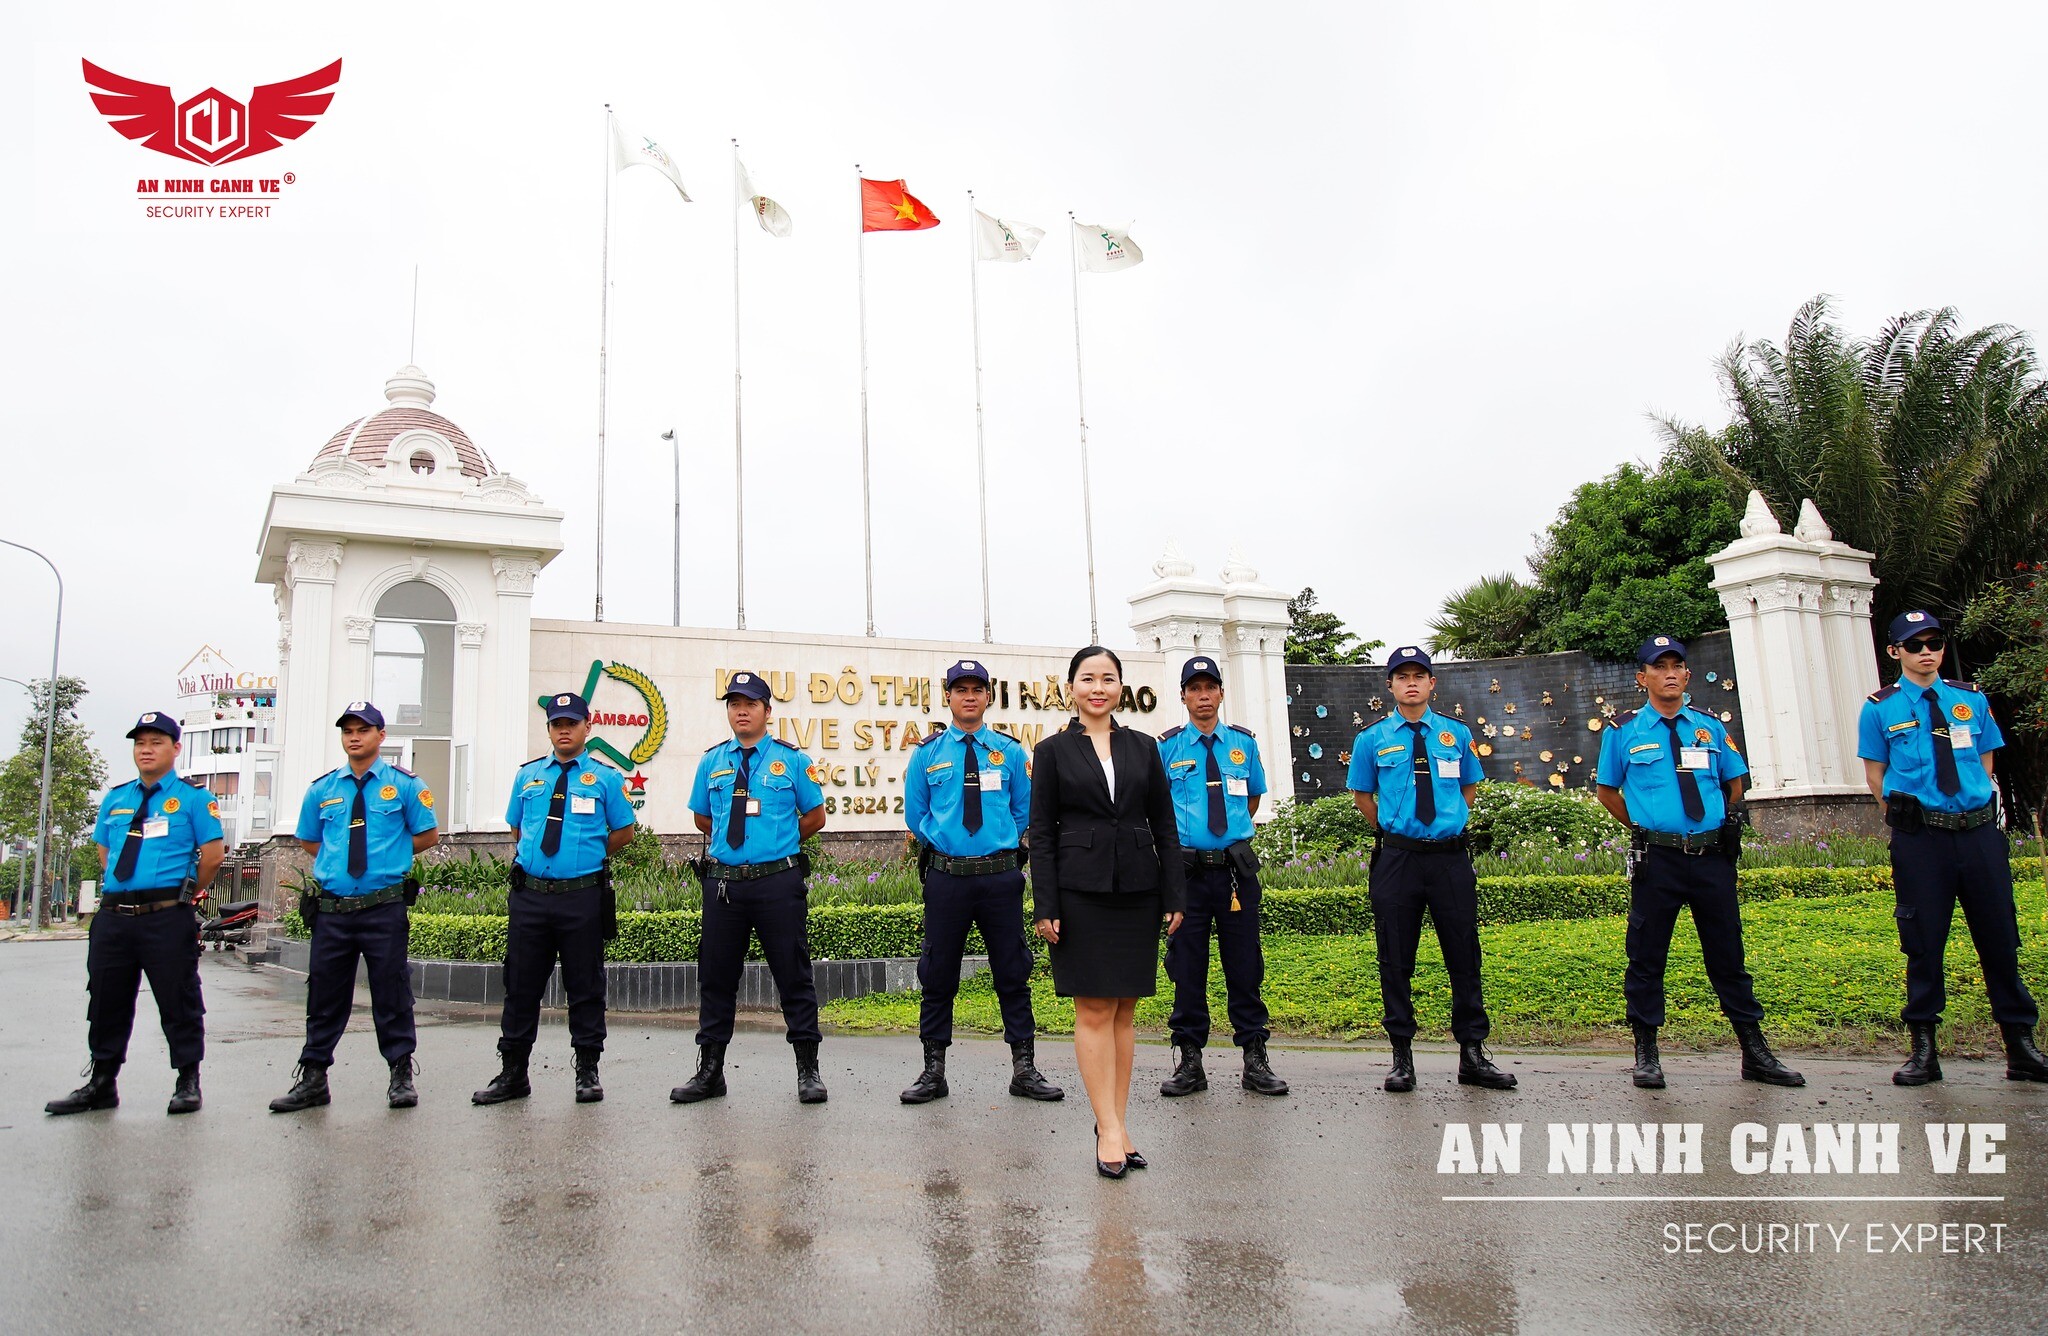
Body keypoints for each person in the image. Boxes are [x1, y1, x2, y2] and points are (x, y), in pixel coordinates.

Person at [1595, 637, 1802, 1089]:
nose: (1669, 673)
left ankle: (1755, 1052)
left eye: (1677, 666)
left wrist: (1713, 820)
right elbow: (1608, 791)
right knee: (1647, 956)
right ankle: (1646, 1053)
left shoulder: (1708, 727)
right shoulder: (1623, 731)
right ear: (1642, 677)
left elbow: (1734, 781)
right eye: (1659, 666)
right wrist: (1647, 826)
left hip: (1711, 858)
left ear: (1687, 675)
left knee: (1728, 955)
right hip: (1659, 859)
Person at [1858, 610, 2047, 1085]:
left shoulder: (1970, 701)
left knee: (2000, 938)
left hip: (1978, 835)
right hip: (1922, 839)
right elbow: (1876, 777)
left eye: (1934, 642)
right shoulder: (1880, 708)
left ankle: (2020, 1046)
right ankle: (1924, 1049)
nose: (1926, 652)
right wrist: (1911, 817)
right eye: (1914, 644)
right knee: (1923, 943)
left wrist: (1971, 805)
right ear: (1894, 651)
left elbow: (1984, 765)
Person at [1029, 646, 1185, 1179]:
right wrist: (1044, 904)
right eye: (1088, 678)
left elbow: (1164, 825)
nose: (1099, 688)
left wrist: (1174, 894)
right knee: (1094, 1008)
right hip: (1080, 893)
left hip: (1138, 891)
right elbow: (1042, 835)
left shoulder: (1144, 747)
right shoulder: (1051, 752)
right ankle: (1110, 1130)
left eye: (1109, 679)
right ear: (1071, 687)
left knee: (1125, 1009)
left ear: (1121, 688)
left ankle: (1114, 1122)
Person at [1346, 647, 1515, 1093]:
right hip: (1398, 860)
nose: (1411, 683)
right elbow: (1364, 795)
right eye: (1402, 677)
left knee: (1464, 954)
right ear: (1390, 686)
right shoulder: (1372, 739)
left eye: (1419, 675)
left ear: (1432, 682)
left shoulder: (1455, 734)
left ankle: (1473, 1054)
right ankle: (1402, 1057)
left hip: (1449, 859)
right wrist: (1394, 830)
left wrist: (1445, 825)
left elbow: (1469, 787)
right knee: (1396, 958)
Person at [900, 658, 1063, 1104]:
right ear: (948, 697)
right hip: (947, 878)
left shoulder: (1009, 753)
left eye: (977, 689)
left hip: (998, 879)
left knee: (1013, 971)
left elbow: (1023, 809)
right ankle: (933, 1070)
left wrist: (997, 845)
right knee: (937, 974)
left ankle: (1024, 1068)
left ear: (989, 697)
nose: (968, 697)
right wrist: (950, 845)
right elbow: (917, 816)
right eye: (960, 689)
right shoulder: (927, 753)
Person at [45, 712, 224, 1117]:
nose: (146, 749)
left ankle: (187, 1081)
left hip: (165, 916)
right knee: (106, 999)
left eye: (156, 742)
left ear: (175, 748)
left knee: (178, 999)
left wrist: (186, 892)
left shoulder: (194, 798)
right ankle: (102, 1082)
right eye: (140, 743)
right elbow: (105, 853)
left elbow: (213, 856)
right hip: (113, 919)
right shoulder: (116, 798)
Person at [270, 702, 440, 1112]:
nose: (354, 736)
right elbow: (312, 841)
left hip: (383, 907)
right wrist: (341, 862)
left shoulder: (405, 786)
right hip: (333, 911)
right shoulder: (322, 790)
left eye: (363, 729)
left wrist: (390, 853)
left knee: (391, 991)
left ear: (381, 736)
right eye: (347, 729)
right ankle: (313, 1077)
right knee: (324, 995)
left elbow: (428, 835)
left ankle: (400, 1074)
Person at [672, 671, 830, 1105]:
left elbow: (814, 816)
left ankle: (808, 1069)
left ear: (767, 711)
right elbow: (703, 819)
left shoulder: (791, 760)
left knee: (793, 974)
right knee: (716, 978)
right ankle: (710, 1071)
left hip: (777, 883)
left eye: (751, 703)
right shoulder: (712, 761)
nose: (741, 710)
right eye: (734, 703)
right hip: (724, 886)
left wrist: (777, 839)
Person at [473, 692, 637, 1107]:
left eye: (571, 723)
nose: (564, 730)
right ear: (549, 729)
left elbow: (622, 832)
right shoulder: (527, 776)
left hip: (581, 897)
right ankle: (513, 1073)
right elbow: (517, 830)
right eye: (556, 724)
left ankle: (587, 1071)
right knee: (521, 986)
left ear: (588, 726)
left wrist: (584, 857)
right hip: (530, 897)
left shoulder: (604, 778)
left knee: (585, 986)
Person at [1156, 655, 1288, 1098]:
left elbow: (1250, 801)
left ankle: (1255, 1057)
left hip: (1235, 874)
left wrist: (1226, 839)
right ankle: (1190, 1060)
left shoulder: (1243, 745)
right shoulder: (1167, 747)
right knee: (1187, 968)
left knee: (1245, 966)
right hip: (1188, 875)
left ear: (1221, 693)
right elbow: (1156, 810)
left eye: (1210, 687)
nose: (1203, 696)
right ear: (1183, 696)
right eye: (1194, 688)